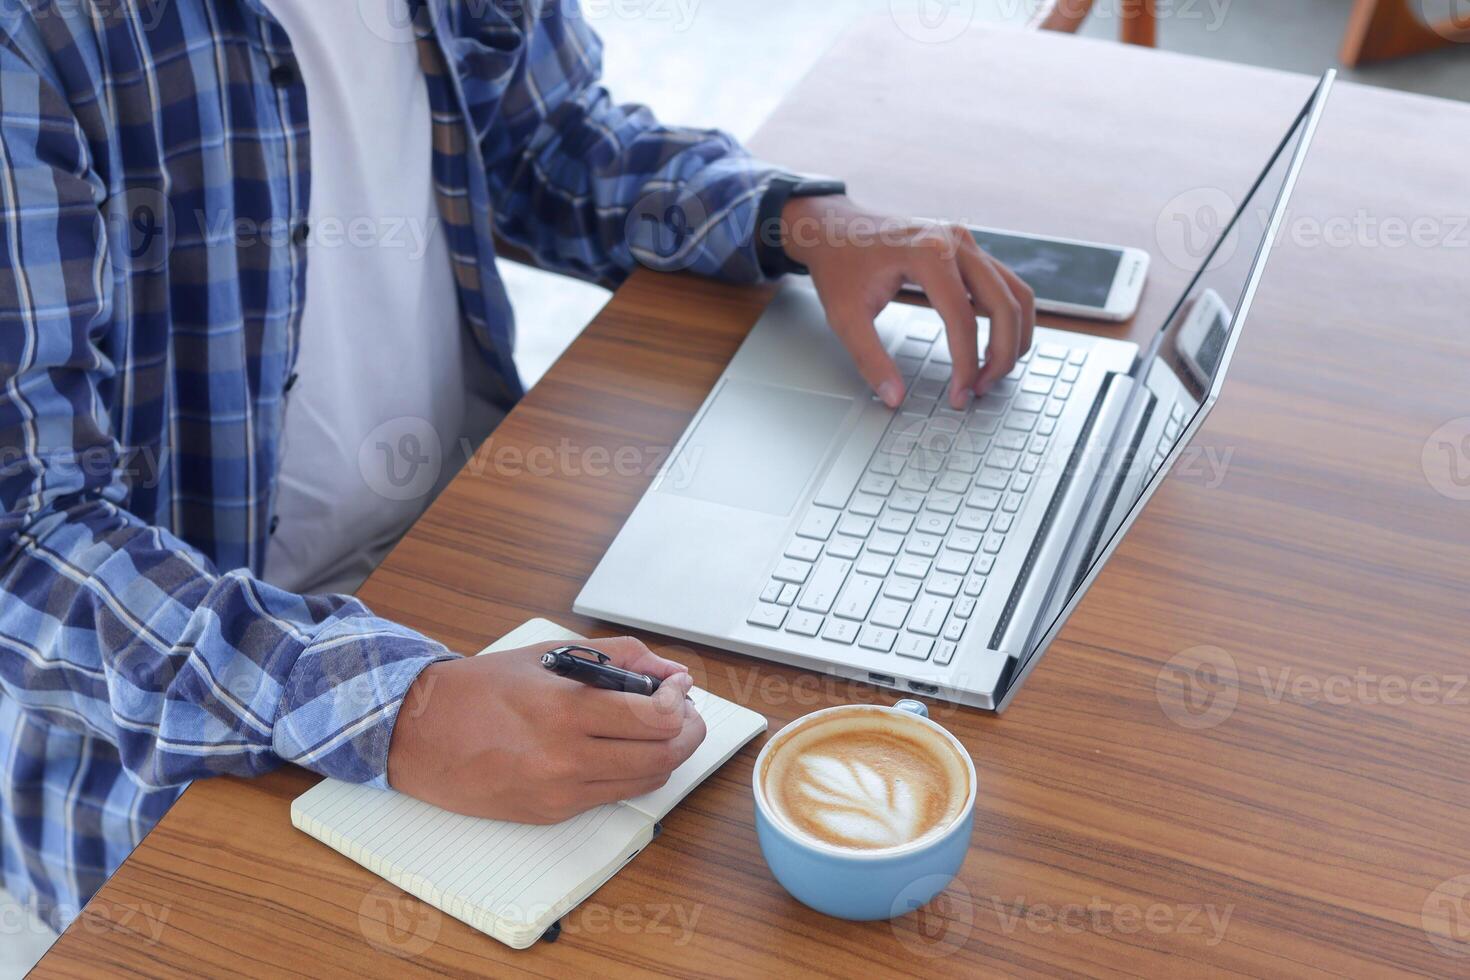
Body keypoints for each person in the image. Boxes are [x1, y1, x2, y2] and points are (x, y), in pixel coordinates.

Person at [0, 0, 1033, 932]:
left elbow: (544, 143)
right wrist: (404, 708)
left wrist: (790, 219)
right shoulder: (35, 35)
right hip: (185, 721)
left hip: (471, 556)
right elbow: (24, 540)